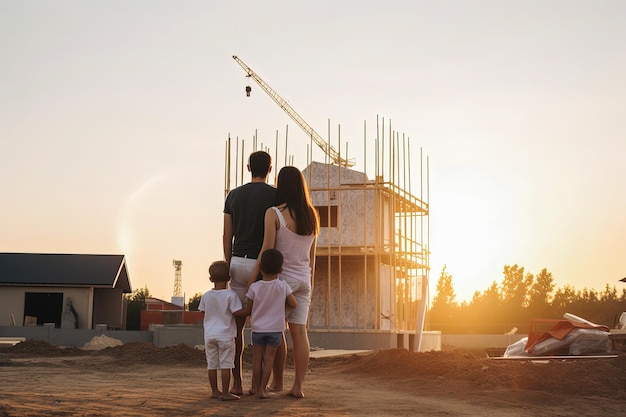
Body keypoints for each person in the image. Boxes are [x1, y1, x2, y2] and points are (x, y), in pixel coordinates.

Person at [248, 165, 319, 398]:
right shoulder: (311, 215)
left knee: (276, 331)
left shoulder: (274, 213)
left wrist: (252, 281)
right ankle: (298, 387)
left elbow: (266, 250)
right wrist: (310, 282)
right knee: (299, 333)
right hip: (304, 279)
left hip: (282, 280)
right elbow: (312, 257)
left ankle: (277, 382)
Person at [223, 150, 277, 395]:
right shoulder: (276, 196)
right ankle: (263, 384)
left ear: (247, 168)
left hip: (237, 262)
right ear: (269, 169)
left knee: (236, 327)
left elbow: (226, 234)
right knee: (266, 325)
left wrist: (229, 264)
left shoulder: (233, 195)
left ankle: (237, 383)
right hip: (262, 266)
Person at [236, 248, 296, 399]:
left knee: (257, 359)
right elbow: (293, 303)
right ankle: (263, 390)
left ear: (260, 268)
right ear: (281, 270)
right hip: (275, 330)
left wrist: (234, 312)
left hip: (257, 329)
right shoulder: (283, 286)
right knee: (269, 359)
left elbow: (248, 310)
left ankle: (255, 388)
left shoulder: (254, 288)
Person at [197, 260, 242, 401]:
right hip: (226, 335)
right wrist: (249, 310)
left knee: (212, 364)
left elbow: (203, 312)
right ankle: (226, 393)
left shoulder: (206, 296)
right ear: (229, 278)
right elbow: (237, 312)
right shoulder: (231, 295)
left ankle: (215, 391)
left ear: (211, 279)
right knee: (226, 364)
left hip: (210, 335)